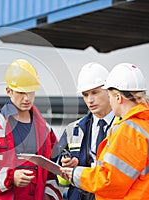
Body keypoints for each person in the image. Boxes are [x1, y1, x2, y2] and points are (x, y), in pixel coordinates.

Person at [0, 59, 62, 200]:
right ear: (9, 91)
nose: (26, 98)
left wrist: (49, 196)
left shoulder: (46, 131)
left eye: (30, 92)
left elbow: (53, 171)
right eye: (21, 92)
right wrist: (11, 177)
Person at [61, 63, 149, 199]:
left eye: (109, 96)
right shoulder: (145, 125)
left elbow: (110, 181)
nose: (90, 100)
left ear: (118, 98)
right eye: (85, 95)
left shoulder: (128, 131)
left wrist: (75, 174)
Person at [57, 62, 116, 200]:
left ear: (109, 91)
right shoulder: (72, 130)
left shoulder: (126, 127)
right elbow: (60, 179)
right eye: (85, 94)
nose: (90, 100)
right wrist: (64, 166)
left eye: (95, 92)